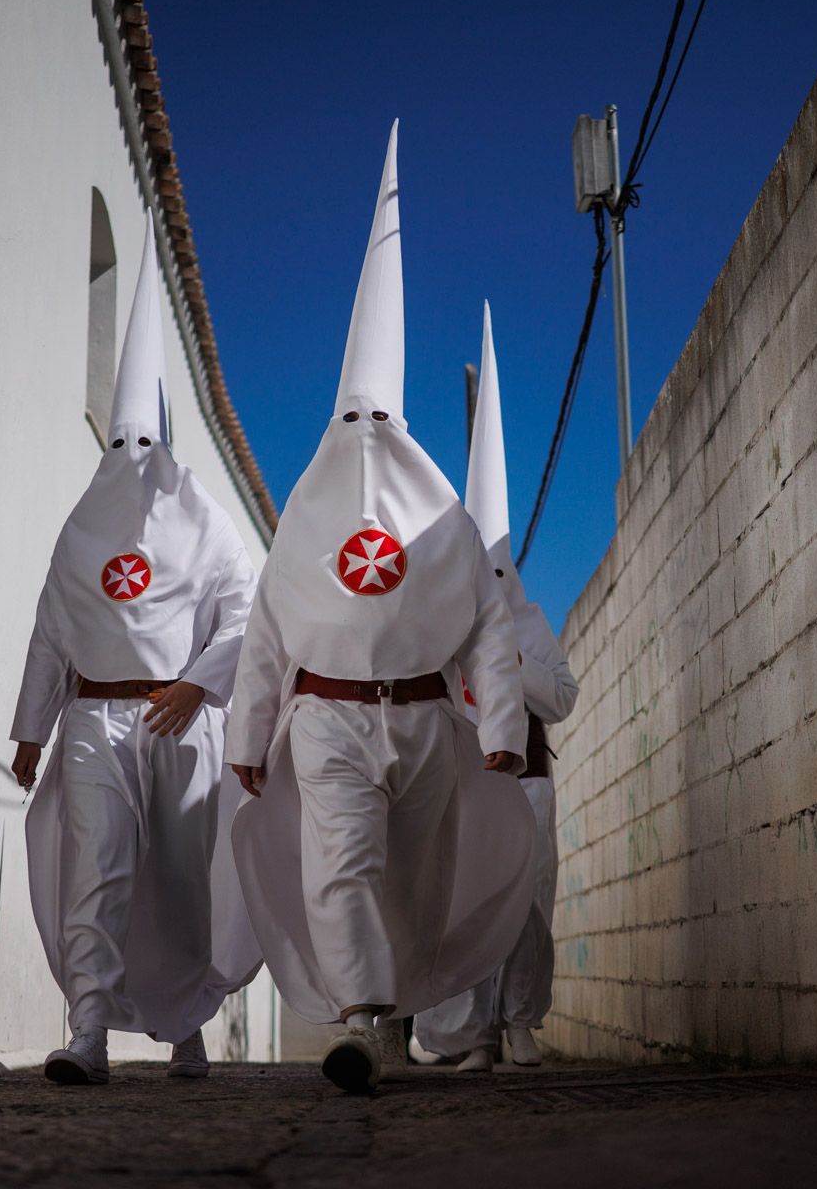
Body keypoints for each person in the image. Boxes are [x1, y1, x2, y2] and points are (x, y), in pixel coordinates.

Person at [224, 122, 537, 1094]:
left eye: (380, 421)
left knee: (412, 880)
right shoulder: (301, 531)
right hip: (326, 720)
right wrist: (250, 729)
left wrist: (504, 721)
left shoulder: (442, 524)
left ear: (398, 425)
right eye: (351, 420)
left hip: (426, 724)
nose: (365, 438)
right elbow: (268, 638)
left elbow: (484, 620)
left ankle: (392, 999)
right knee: (344, 864)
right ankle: (361, 1018)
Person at [11, 214, 259, 1086]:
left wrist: (200, 685)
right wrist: (31, 729)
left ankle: (187, 1024)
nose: (130, 453)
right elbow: (51, 627)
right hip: (92, 719)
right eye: (120, 440)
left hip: (178, 721)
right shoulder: (82, 527)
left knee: (181, 883)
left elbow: (243, 616)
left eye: (141, 440)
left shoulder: (210, 525)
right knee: (99, 873)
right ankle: (87, 1033)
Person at [413, 304, 580, 1071]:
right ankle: (467, 1033)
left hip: (528, 782)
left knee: (527, 911)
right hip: (463, 784)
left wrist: (504, 660)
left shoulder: (529, 621)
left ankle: (519, 1023)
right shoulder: (442, 622)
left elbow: (562, 695)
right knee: (467, 904)